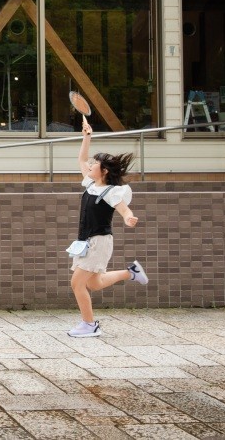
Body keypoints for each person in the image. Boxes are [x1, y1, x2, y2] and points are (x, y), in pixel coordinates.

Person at [68, 119, 148, 338]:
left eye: (95, 164)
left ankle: (89, 325)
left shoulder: (112, 192)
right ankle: (130, 273)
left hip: (99, 241)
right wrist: (87, 137)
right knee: (93, 283)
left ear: (103, 171)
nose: (90, 165)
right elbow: (82, 158)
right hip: (85, 241)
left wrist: (129, 218)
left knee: (77, 283)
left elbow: (124, 210)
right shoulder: (91, 184)